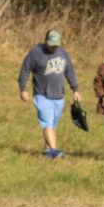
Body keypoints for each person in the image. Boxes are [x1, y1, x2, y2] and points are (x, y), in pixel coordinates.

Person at [18, 29, 81, 159]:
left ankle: (47, 151)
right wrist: (23, 89)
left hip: (59, 95)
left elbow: (69, 72)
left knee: (53, 124)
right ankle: (54, 150)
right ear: (46, 41)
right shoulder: (35, 53)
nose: (54, 47)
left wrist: (75, 89)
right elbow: (25, 70)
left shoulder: (63, 53)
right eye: (51, 44)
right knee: (47, 122)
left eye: (56, 44)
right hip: (42, 95)